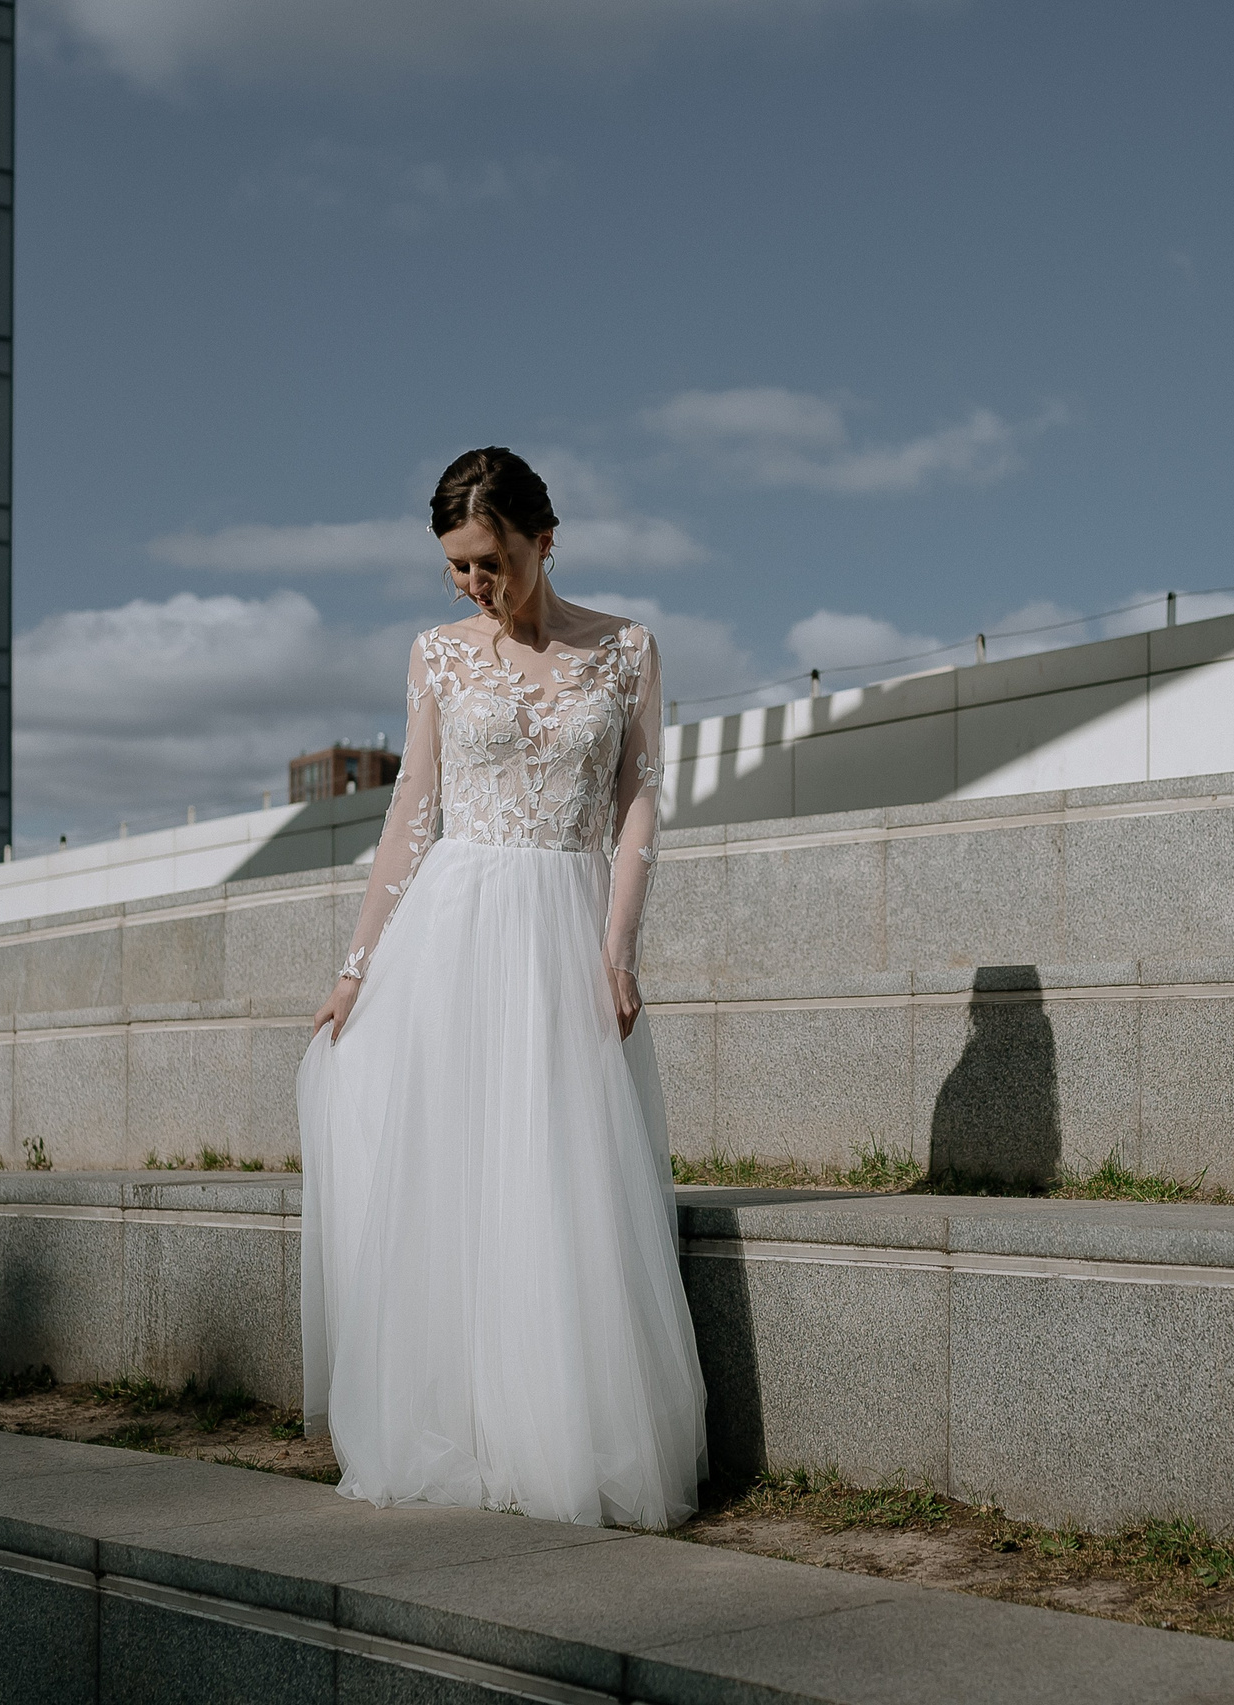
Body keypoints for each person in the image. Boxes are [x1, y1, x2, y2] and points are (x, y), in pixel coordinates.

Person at [297, 446, 706, 1528]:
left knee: (554, 1180)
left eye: (491, 560)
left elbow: (636, 803)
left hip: (566, 926)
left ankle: (558, 1435)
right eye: (456, 568)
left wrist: (618, 948)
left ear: (542, 537)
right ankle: (459, 1425)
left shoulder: (625, 650)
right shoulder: (438, 655)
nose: (475, 584)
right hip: (456, 927)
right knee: (451, 1178)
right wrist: (357, 965)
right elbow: (411, 814)